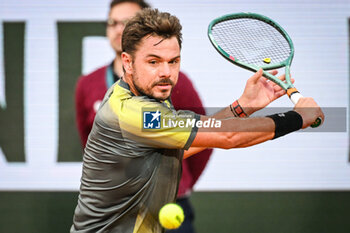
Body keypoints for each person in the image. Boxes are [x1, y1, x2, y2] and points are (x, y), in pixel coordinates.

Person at [71, 8, 324, 233]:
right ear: (127, 62)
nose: (166, 73)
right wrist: (297, 118)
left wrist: (242, 107)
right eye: (153, 62)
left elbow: (188, 142)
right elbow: (227, 136)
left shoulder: (144, 95)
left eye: (174, 61)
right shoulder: (135, 113)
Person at [74, 1, 212, 232]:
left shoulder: (174, 81)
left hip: (169, 208)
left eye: (127, 23)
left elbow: (205, 137)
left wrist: (177, 181)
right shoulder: (87, 84)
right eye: (113, 23)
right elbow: (89, 145)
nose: (119, 29)